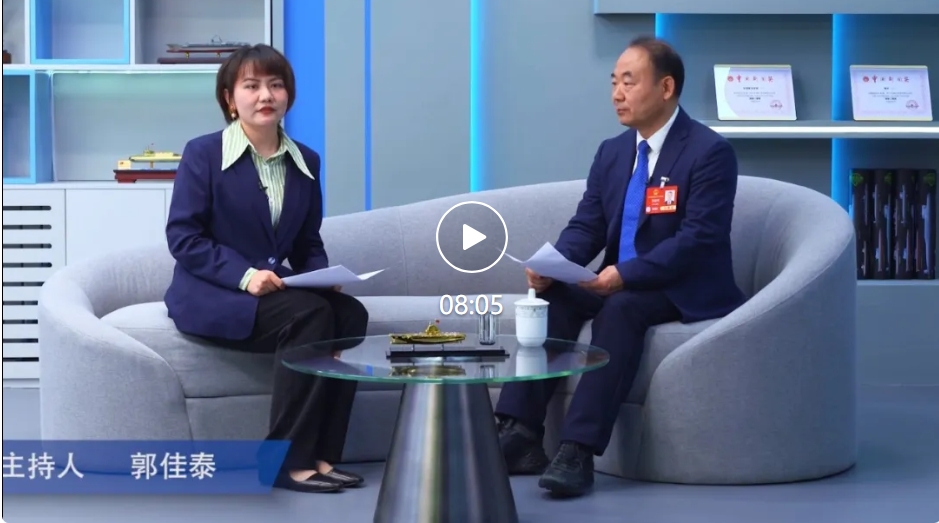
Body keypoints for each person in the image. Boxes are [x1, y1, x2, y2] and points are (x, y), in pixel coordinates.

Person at [495, 36, 747, 497]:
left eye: (629, 82)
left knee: (621, 309)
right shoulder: (612, 152)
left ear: (666, 87)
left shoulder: (708, 152)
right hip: (617, 278)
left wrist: (627, 274)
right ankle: (519, 432)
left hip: (679, 285)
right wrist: (555, 264)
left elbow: (698, 240)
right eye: (614, 82)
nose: (616, 94)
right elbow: (587, 225)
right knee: (552, 298)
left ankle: (577, 450)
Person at [163, 44, 368, 494]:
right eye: (252, 86)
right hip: (213, 292)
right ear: (229, 99)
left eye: (276, 85)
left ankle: (321, 454)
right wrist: (244, 276)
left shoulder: (305, 160)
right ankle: (282, 461)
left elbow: (307, 242)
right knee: (310, 316)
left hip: (271, 291)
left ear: (288, 94)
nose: (265, 96)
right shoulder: (203, 154)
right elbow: (184, 237)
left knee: (350, 314)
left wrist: (324, 276)